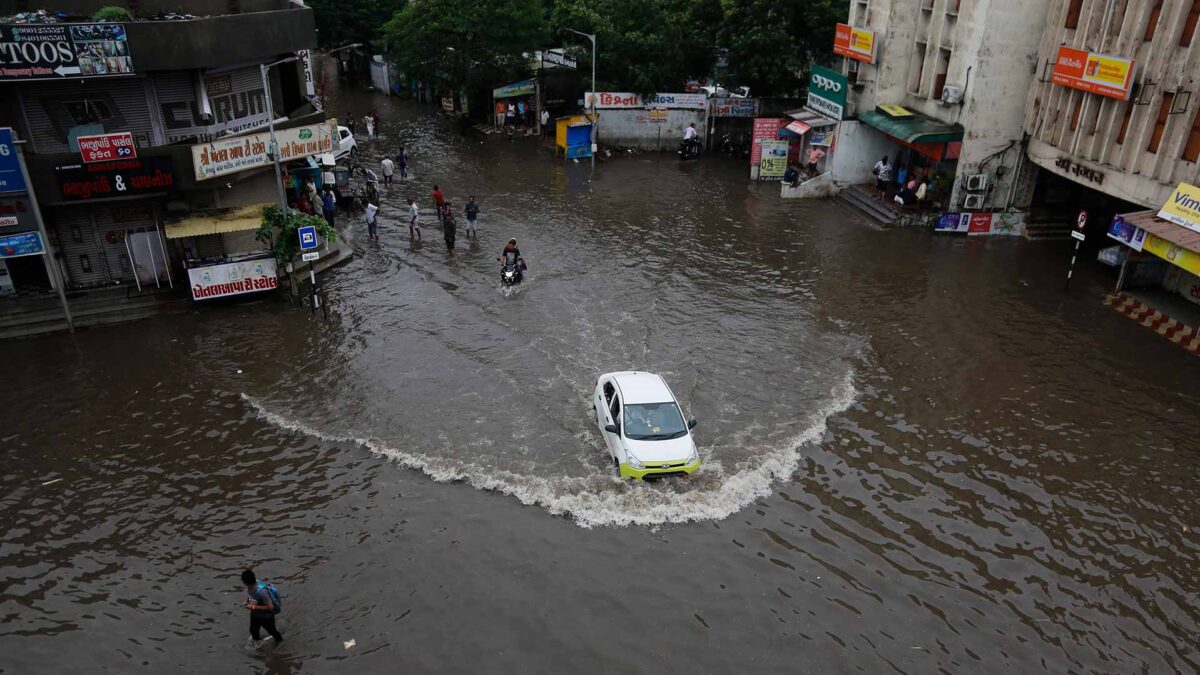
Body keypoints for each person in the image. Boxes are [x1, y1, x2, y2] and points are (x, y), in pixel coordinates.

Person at [241, 569, 282, 645]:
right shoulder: (251, 586)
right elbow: (253, 596)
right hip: (255, 614)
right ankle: (256, 644)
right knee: (253, 630)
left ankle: (280, 643)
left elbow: (270, 607)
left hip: (266, 617)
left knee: (272, 632)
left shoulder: (262, 592)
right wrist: (248, 601)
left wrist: (253, 607)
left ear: (246, 582)